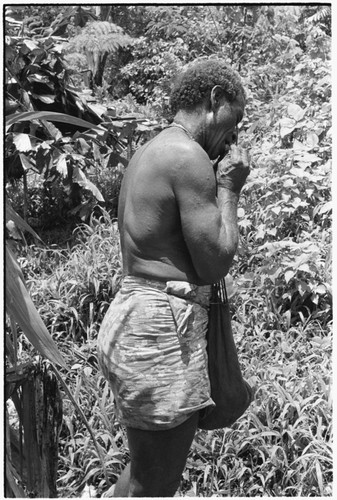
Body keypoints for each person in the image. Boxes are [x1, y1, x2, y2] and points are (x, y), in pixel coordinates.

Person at [97, 58, 250, 497]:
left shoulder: (149, 151)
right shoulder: (188, 156)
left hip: (135, 318)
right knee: (156, 484)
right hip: (159, 330)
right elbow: (215, 261)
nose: (234, 135)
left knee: (147, 470)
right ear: (214, 99)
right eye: (233, 119)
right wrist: (230, 189)